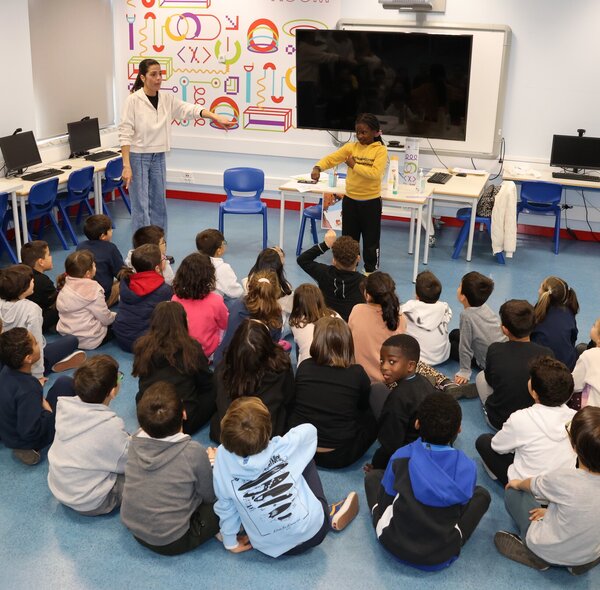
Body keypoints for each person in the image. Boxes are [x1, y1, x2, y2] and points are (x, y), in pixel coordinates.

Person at [213, 397, 359, 557]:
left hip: (269, 547)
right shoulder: (284, 447)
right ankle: (327, 512)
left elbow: (225, 506)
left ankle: (249, 523)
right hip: (314, 533)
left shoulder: (221, 458)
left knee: (233, 494)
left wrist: (230, 543)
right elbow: (310, 431)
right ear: (269, 430)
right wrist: (278, 442)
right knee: (304, 458)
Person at [365, 392, 491, 571]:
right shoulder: (468, 467)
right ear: (459, 429)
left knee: (373, 478)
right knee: (482, 495)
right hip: (441, 554)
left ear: (417, 424)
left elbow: (386, 502)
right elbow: (460, 511)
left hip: (392, 542)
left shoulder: (401, 457)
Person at [118, 58, 235, 233]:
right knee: (141, 207)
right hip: (138, 157)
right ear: (142, 77)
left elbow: (189, 109)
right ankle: (142, 248)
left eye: (160, 74)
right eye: (153, 74)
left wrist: (215, 116)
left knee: (159, 205)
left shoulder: (166, 99)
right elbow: (125, 133)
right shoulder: (133, 101)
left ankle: (160, 245)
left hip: (159, 156)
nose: (158, 78)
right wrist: (126, 166)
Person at [496, 406, 600, 575]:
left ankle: (537, 557)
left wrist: (517, 483)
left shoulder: (563, 478)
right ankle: (579, 563)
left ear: (574, 446)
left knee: (513, 493)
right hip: (587, 556)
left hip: (547, 548)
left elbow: (531, 485)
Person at [120, 382, 219, 555]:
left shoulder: (135, 440)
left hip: (134, 528)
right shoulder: (193, 451)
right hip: (172, 541)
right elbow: (209, 496)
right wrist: (212, 463)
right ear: (184, 414)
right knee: (227, 500)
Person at [288, 316, 376, 468]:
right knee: (373, 413)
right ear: (348, 343)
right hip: (339, 455)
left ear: (316, 341)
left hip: (301, 450)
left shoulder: (304, 367)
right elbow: (363, 407)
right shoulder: (357, 373)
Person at [47, 355, 130, 515]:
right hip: (91, 502)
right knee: (144, 474)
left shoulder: (65, 407)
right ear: (113, 392)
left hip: (60, 489)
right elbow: (127, 464)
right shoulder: (110, 426)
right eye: (119, 377)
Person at [476, 356, 577, 487]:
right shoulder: (576, 418)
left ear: (534, 393)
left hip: (525, 486)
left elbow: (497, 446)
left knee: (484, 441)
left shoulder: (521, 418)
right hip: (561, 486)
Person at [311, 113, 388, 273]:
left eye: (364, 132)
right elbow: (331, 159)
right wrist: (318, 167)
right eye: (357, 132)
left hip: (371, 203)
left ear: (375, 132)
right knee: (349, 240)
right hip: (351, 202)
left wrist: (354, 165)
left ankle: (369, 272)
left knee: (371, 241)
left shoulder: (380, 151)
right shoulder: (351, 148)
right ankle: (348, 270)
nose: (360, 136)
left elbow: (375, 174)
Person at [133, 302, 215, 435]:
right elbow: (206, 383)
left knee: (140, 394)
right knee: (215, 386)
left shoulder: (142, 346)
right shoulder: (191, 347)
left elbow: (142, 379)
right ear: (182, 323)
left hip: (149, 418)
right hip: (182, 421)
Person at [0, 328, 76, 465]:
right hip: (26, 438)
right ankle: (29, 448)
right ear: (28, 358)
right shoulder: (28, 389)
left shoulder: (6, 370)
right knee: (65, 383)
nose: (39, 345)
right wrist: (48, 411)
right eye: (35, 343)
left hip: (8, 431)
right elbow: (30, 431)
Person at [473, 300, 554, 429]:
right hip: (533, 422)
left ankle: (488, 410)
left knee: (480, 377)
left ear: (504, 329)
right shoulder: (547, 353)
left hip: (499, 422)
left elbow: (490, 380)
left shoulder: (495, 349)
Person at [210, 319, 293, 443]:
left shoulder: (224, 368)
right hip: (266, 435)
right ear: (268, 346)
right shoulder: (282, 367)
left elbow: (216, 398)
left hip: (230, 435)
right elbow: (289, 399)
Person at [0, 264, 85, 379]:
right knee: (72, 340)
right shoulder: (31, 309)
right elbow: (36, 343)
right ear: (23, 288)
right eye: (31, 281)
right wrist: (38, 375)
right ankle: (46, 367)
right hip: (27, 359)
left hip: (6, 357)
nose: (34, 282)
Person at [369, 334, 436, 470]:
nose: (384, 367)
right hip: (428, 445)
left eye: (392, 362)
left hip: (409, 456)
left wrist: (377, 465)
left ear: (410, 365)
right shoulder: (424, 381)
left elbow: (390, 443)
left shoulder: (397, 399)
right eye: (382, 361)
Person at [212, 270, 283, 366]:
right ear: (275, 292)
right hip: (253, 366)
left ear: (250, 287)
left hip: (223, 362)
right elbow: (273, 344)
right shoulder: (276, 316)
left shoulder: (237, 305)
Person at [113, 244, 173, 352]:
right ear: (157, 268)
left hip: (122, 336)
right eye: (163, 258)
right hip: (145, 343)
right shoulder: (164, 290)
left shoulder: (126, 282)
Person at [349, 271, 407, 382]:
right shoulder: (400, 319)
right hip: (387, 379)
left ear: (367, 295)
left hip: (359, 376)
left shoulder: (357, 310)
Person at [449, 271, 506, 384]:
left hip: (487, 363)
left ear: (463, 297)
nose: (458, 288)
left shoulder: (466, 316)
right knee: (454, 333)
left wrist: (464, 371)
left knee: (450, 347)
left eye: (459, 286)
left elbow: (465, 347)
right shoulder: (483, 305)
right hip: (499, 353)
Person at [297, 229, 364, 322]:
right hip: (349, 326)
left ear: (334, 261)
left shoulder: (323, 273)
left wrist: (325, 245)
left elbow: (302, 260)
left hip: (325, 323)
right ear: (358, 259)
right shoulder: (365, 283)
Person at [171, 252, 228, 360]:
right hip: (207, 352)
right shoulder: (216, 300)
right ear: (209, 277)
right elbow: (225, 324)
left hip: (183, 351)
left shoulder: (175, 298)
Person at [56, 250, 116, 349]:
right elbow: (105, 318)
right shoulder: (94, 290)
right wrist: (115, 316)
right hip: (90, 339)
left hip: (67, 336)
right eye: (94, 265)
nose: (96, 267)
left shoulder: (65, 285)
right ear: (88, 273)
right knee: (121, 322)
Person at [401, 270, 452, 366]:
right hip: (443, 356)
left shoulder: (409, 308)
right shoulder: (444, 307)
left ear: (416, 294)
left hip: (420, 360)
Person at [531, 276, 579, 371]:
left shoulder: (536, 314)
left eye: (540, 287)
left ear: (545, 294)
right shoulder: (569, 312)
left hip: (542, 368)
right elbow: (573, 339)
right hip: (568, 367)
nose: (538, 290)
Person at [76, 214, 124, 307]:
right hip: (102, 298)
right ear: (103, 236)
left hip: (83, 294)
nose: (112, 231)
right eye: (110, 229)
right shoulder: (110, 248)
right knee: (124, 284)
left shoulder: (80, 246)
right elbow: (121, 273)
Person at [288, 283, 339, 366]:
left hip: (308, 365)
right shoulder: (335, 315)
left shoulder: (296, 322)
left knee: (299, 344)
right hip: (336, 361)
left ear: (297, 303)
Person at [244, 246, 294, 325]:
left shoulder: (247, 282)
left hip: (251, 322)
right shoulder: (285, 290)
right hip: (274, 324)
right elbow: (292, 309)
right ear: (279, 267)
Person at [195, 228, 243, 302]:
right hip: (211, 304)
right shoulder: (223, 268)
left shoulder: (191, 263)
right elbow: (236, 293)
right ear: (219, 250)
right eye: (224, 243)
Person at [20, 240, 58, 333]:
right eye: (48, 255)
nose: (51, 257)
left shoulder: (18, 271)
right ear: (41, 262)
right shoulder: (43, 281)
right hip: (34, 322)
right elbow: (56, 301)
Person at [572, 318, 600, 408]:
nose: (592, 326)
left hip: (593, 412)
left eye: (594, 325)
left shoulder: (589, 355)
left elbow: (574, 385)